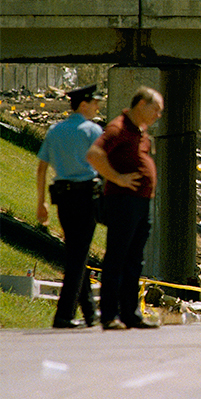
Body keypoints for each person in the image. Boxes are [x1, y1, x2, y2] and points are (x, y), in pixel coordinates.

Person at [86, 86, 163, 330]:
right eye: (156, 109)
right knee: (117, 257)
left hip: (141, 203)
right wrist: (117, 178)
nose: (158, 115)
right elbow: (94, 153)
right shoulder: (118, 128)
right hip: (123, 202)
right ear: (141, 104)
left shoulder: (140, 131)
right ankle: (109, 315)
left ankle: (130, 313)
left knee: (134, 259)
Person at [36, 84, 104, 328]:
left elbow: (42, 168)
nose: (98, 106)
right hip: (86, 196)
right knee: (78, 254)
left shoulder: (55, 130)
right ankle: (63, 314)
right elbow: (104, 163)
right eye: (95, 102)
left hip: (62, 198)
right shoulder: (92, 130)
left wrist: (40, 202)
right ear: (83, 104)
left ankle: (90, 313)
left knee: (77, 251)